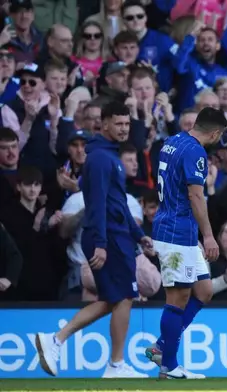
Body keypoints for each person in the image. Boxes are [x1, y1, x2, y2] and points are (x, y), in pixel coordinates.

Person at [35, 101, 156, 378]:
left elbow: (118, 204)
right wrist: (101, 242)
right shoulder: (102, 158)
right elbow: (97, 203)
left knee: (116, 298)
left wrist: (139, 235)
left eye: (127, 124)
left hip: (116, 236)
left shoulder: (108, 156)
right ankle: (114, 364)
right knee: (124, 296)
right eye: (119, 123)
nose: (124, 128)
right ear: (105, 124)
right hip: (109, 238)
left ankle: (57, 339)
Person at [145, 107, 227, 379]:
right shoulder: (196, 152)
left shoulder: (172, 142)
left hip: (179, 230)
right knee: (178, 297)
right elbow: (195, 196)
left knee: (203, 291)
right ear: (215, 133)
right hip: (175, 232)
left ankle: (161, 345)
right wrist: (208, 235)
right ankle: (169, 365)